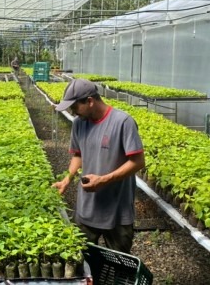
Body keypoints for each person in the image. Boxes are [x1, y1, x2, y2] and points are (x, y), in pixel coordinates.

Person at [52, 79, 145, 253]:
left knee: (119, 266)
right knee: (82, 261)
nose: (72, 111)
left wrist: (104, 180)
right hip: (87, 209)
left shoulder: (123, 122)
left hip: (118, 212)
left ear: (89, 101)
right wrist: (67, 178)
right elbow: (79, 154)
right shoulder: (79, 123)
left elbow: (138, 162)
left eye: (74, 106)